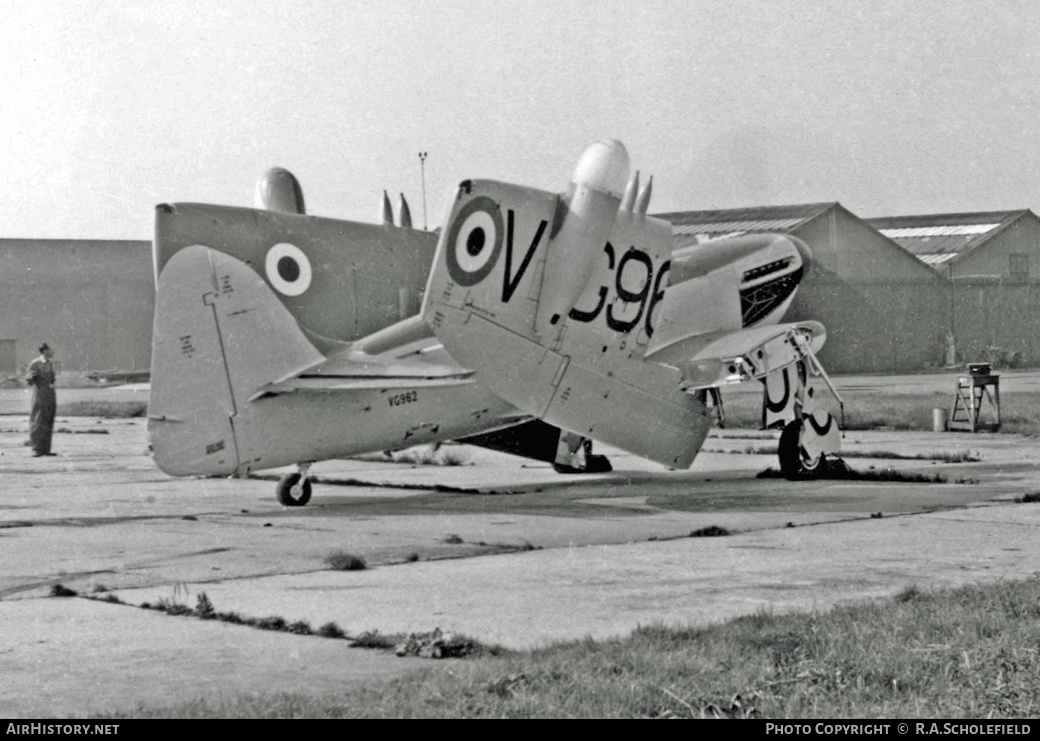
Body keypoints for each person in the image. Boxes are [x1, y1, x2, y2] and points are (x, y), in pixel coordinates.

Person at [26, 343, 57, 457]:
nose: (53, 352)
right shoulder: (36, 363)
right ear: (45, 351)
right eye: (51, 350)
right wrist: (34, 377)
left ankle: (45, 449)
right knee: (38, 420)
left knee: (48, 420)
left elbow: (52, 379)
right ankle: (36, 448)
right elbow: (29, 379)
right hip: (40, 394)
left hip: (50, 394)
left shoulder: (49, 363)